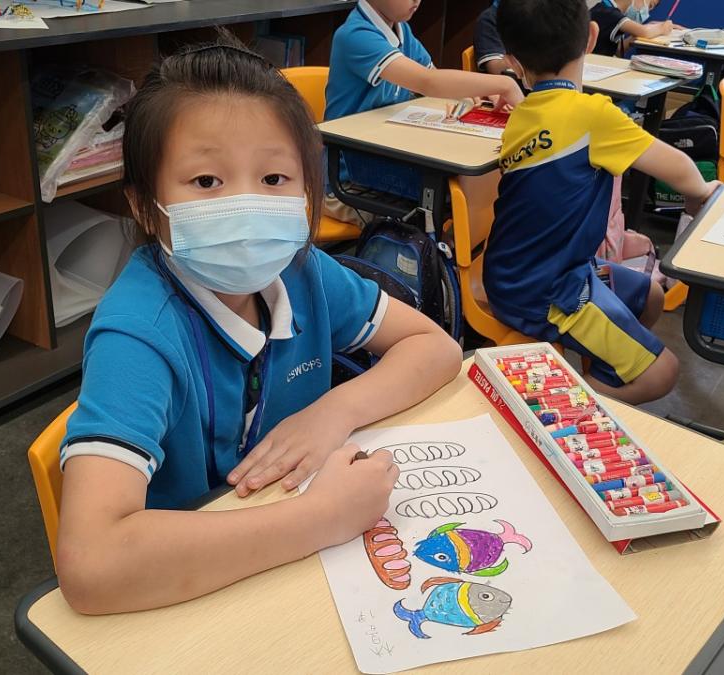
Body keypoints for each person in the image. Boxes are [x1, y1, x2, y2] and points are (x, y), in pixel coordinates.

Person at [55, 34, 463, 615]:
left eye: (273, 179)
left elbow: (433, 347)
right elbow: (92, 564)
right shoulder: (139, 335)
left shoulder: (303, 271)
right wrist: (321, 517)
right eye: (206, 182)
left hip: (288, 563)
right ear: (146, 205)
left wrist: (335, 411)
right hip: (190, 586)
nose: (246, 205)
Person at [487, 0, 721, 405]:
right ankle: (566, 404)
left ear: (513, 61)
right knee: (663, 373)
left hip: (532, 269)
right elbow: (680, 169)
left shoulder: (523, 114)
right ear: (592, 37)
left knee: (651, 295)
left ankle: (605, 367)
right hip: (543, 289)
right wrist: (703, 191)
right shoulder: (593, 115)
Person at [323, 0, 525, 223]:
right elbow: (428, 82)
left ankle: (454, 240)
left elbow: (436, 79)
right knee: (445, 199)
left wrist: (471, 95)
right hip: (348, 185)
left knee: (467, 185)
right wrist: (503, 85)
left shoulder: (400, 30)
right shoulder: (355, 35)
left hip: (385, 164)